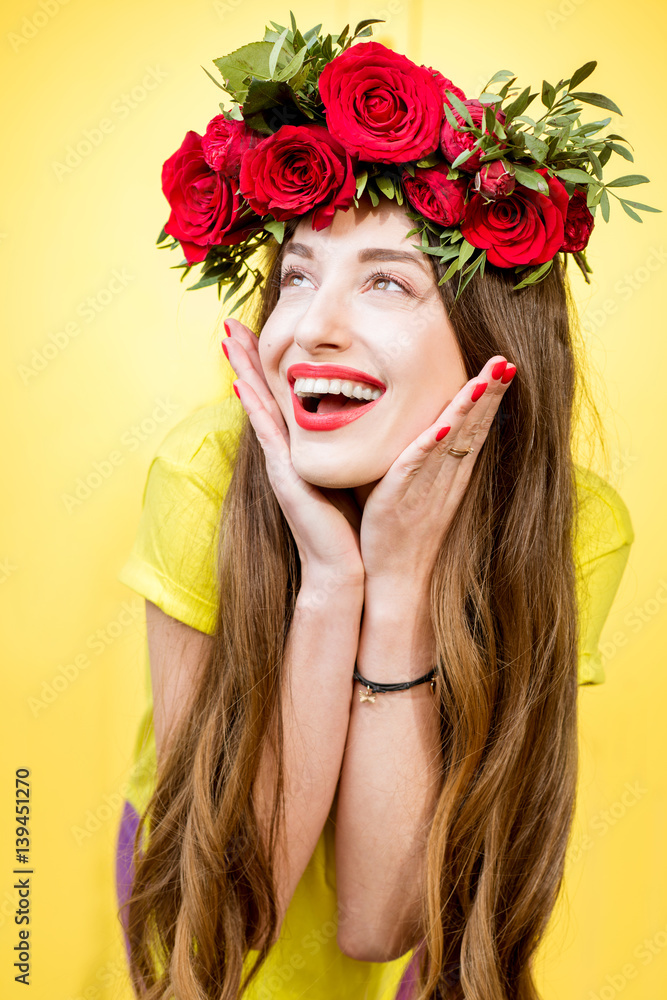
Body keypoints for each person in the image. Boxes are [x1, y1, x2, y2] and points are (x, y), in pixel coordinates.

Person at [115, 19, 643, 1000]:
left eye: (387, 283)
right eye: (299, 275)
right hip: (209, 874)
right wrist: (331, 578)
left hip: (411, 888)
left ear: (495, 343)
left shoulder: (575, 527)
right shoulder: (202, 467)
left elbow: (373, 919)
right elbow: (225, 938)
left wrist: (397, 583)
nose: (313, 325)